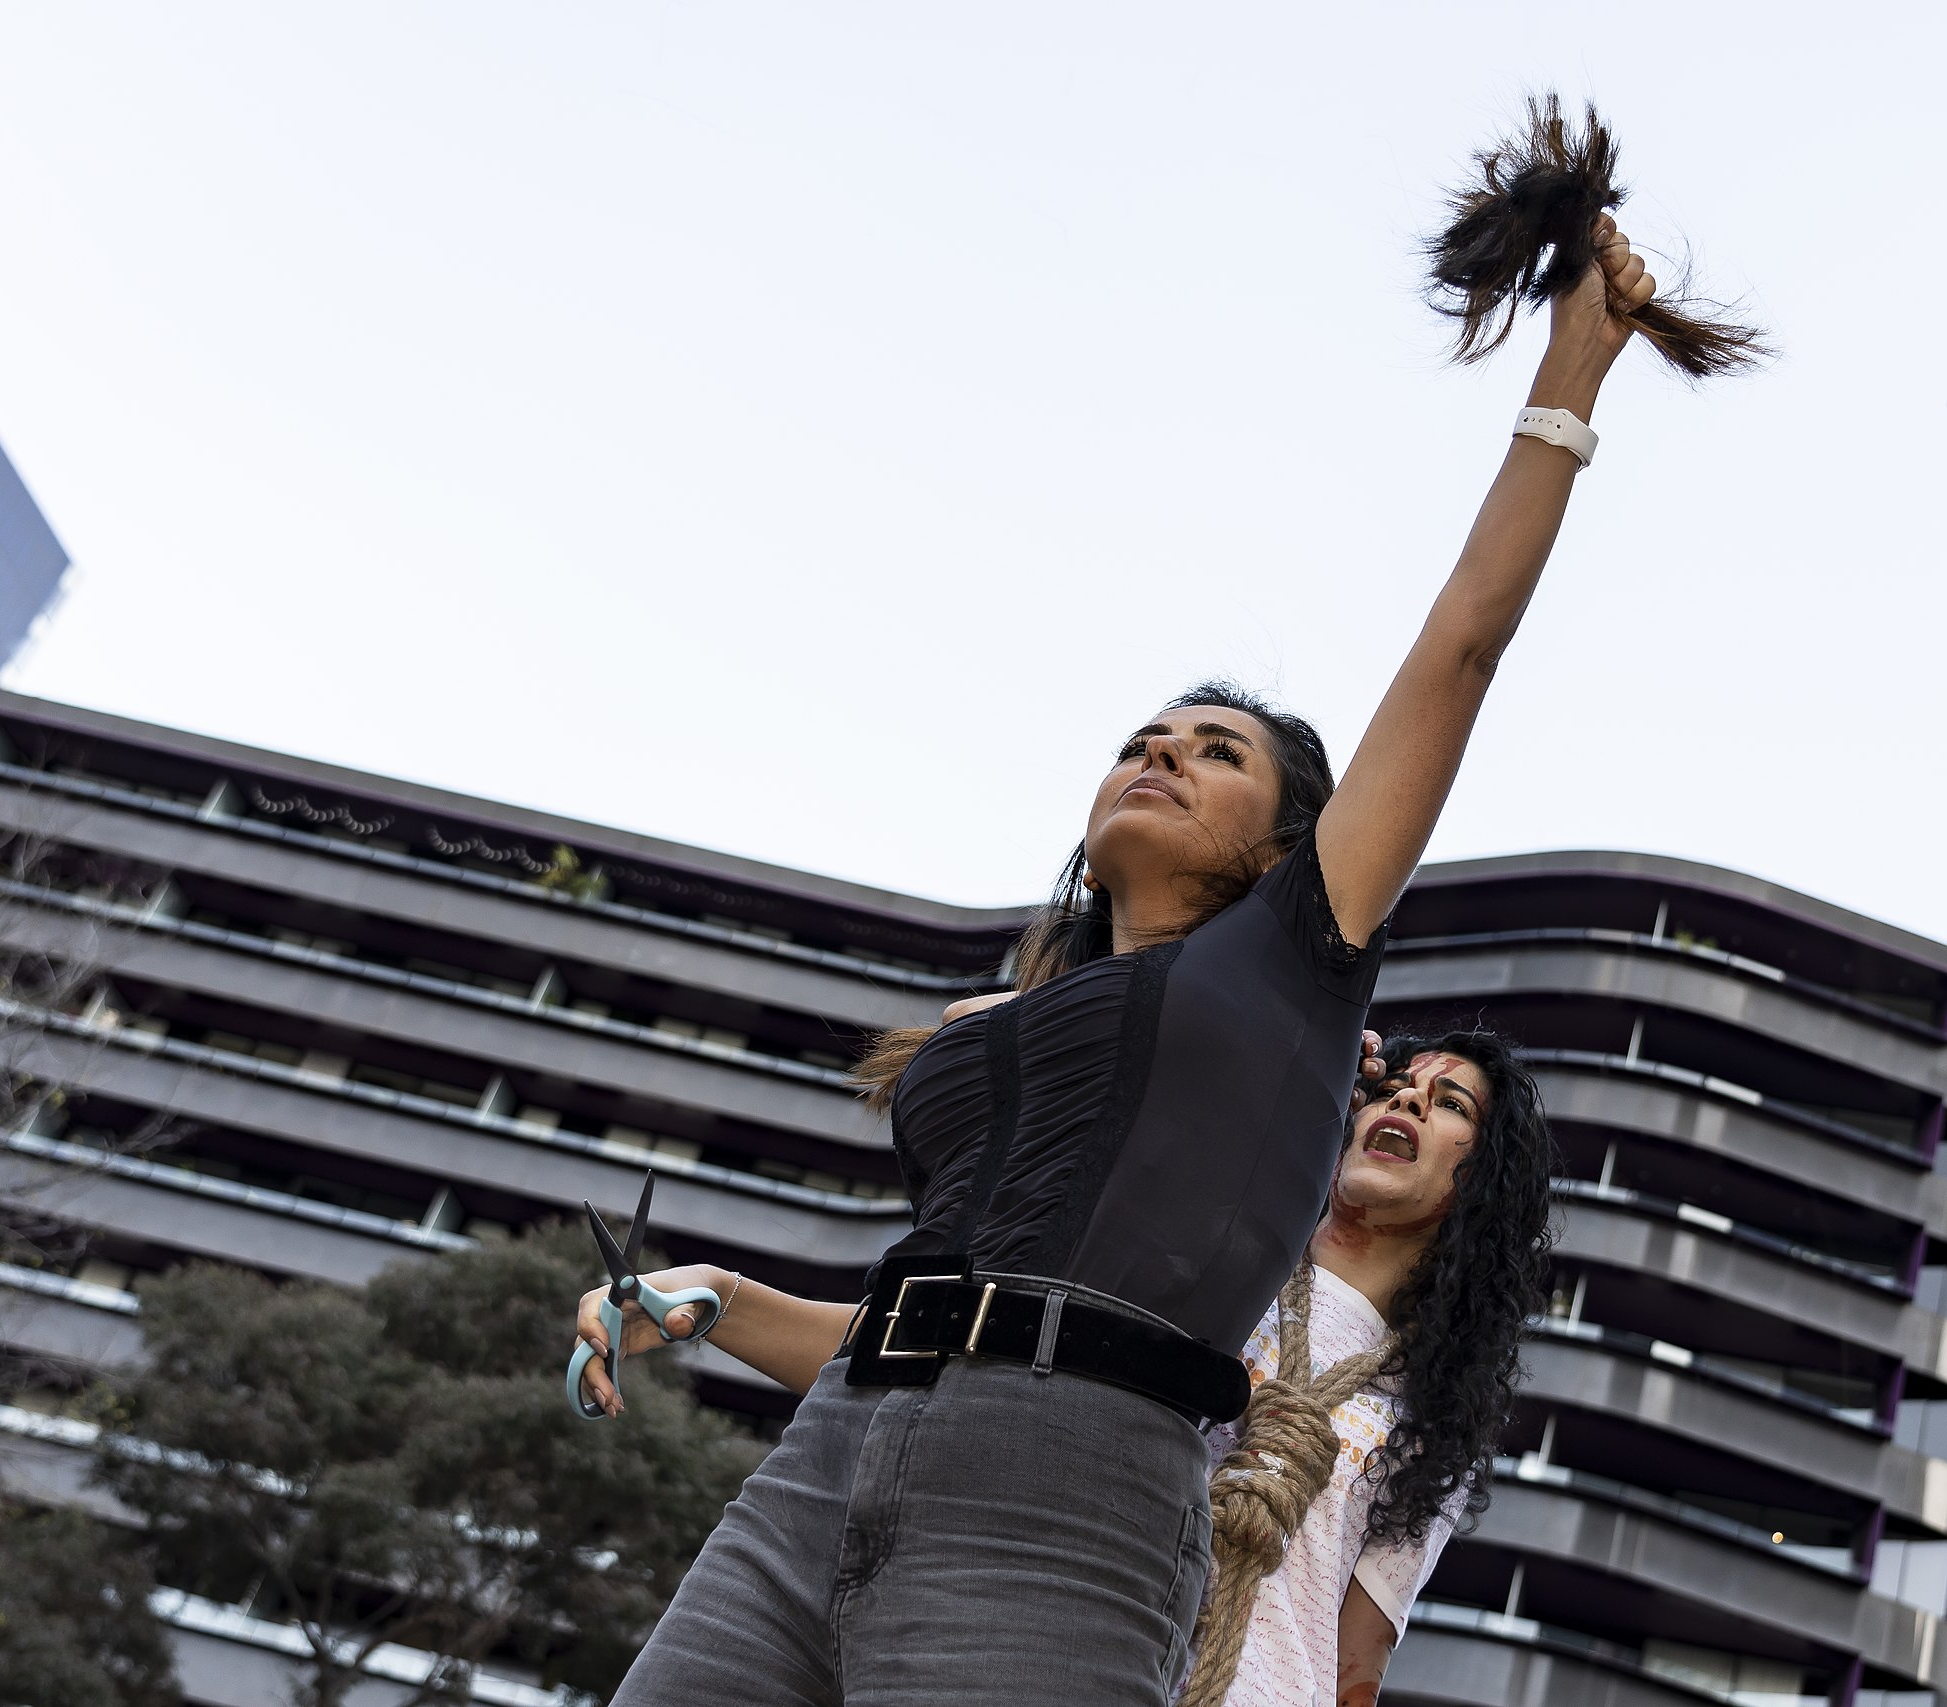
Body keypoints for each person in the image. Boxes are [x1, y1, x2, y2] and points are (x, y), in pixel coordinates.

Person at [575, 105, 1753, 1702]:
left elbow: (1462, 646)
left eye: (1216, 752)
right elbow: (937, 1297)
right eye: (1146, 736)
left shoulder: (1295, 962)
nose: (1159, 752)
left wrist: (1571, 379)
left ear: (1284, 846)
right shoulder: (1007, 1021)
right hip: (830, 1458)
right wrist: (712, 1300)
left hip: (1072, 1484)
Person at [1177, 1030, 1551, 1707]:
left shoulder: (1429, 1429)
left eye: (1452, 1105)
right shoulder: (1213, 1261)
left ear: (1481, 1187)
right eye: (1389, 1086)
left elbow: (1357, 1667)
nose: (1407, 1096)